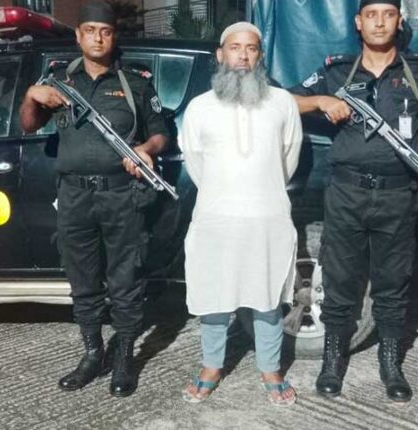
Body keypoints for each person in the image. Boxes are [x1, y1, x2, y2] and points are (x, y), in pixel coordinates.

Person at [289, 0, 418, 402]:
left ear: (399, 21)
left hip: (398, 194)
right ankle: (332, 361)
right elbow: (285, 101)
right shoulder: (336, 71)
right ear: (358, 22)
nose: (380, 23)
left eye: (388, 14)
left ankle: (391, 365)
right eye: (371, 15)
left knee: (392, 283)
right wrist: (321, 101)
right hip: (346, 193)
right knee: (340, 280)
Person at [19, 0, 169, 397]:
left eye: (105, 32)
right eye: (89, 31)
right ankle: (92, 352)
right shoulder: (58, 81)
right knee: (82, 278)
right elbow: (29, 124)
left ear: (113, 36)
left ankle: (124, 358)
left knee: (125, 279)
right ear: (78, 36)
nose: (97, 39)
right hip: (73, 196)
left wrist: (146, 148)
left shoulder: (135, 81)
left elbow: (160, 132)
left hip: (122, 195)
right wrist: (32, 95)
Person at [178, 22, 303, 406]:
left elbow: (289, 156)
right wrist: (225, 193)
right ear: (221, 54)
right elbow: (195, 161)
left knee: (267, 297)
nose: (243, 56)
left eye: (251, 48)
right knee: (214, 296)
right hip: (216, 217)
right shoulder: (200, 107)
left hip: (267, 216)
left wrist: (259, 190)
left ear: (260, 56)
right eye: (235, 47)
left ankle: (271, 368)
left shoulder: (282, 102)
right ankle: (211, 366)